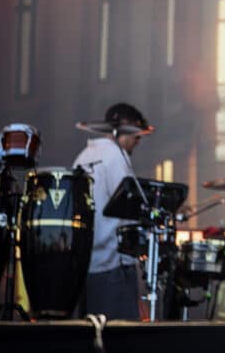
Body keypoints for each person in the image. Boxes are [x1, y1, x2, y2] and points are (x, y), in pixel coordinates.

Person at [72, 102, 154, 320]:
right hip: (113, 266)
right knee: (121, 334)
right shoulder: (115, 155)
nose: (138, 141)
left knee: (93, 331)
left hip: (87, 267)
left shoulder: (83, 157)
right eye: (136, 135)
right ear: (124, 129)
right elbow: (130, 208)